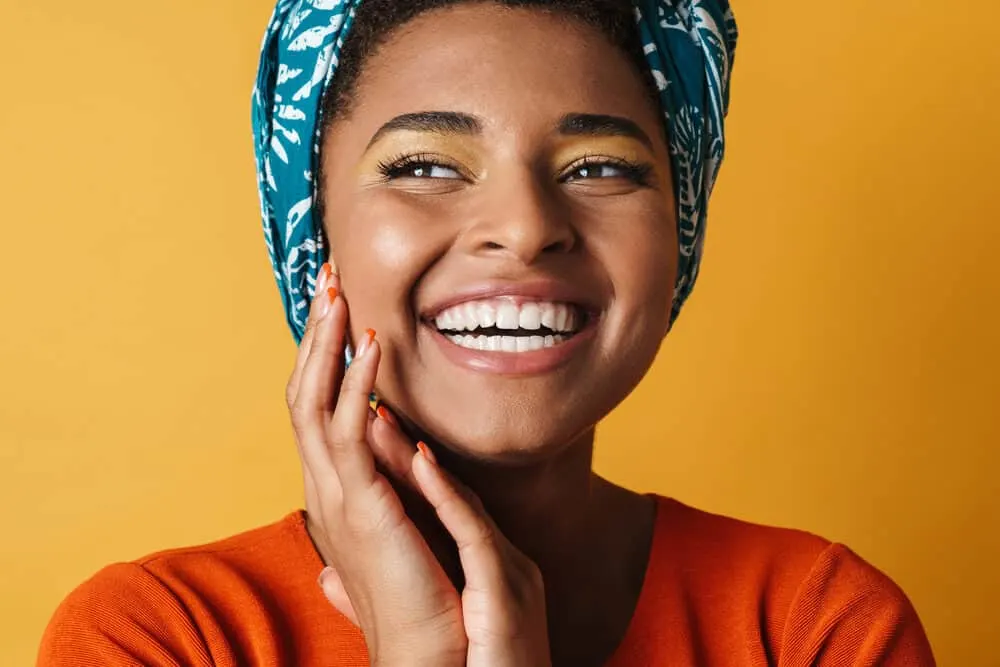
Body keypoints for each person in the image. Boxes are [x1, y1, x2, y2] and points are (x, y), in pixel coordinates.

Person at [38, 0, 937, 665]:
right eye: (424, 164)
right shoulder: (159, 637)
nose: (523, 224)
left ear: (682, 227)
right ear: (314, 233)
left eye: (599, 166)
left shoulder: (816, 627)